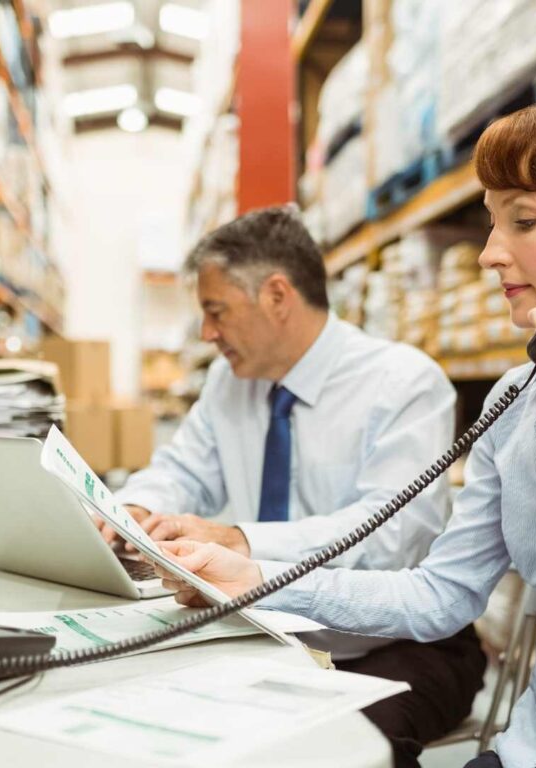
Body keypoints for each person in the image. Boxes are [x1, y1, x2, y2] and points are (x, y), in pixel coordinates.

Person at [154, 90, 536, 768]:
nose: (489, 255)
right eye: (491, 223)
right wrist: (254, 576)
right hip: (532, 751)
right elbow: (440, 594)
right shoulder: (517, 400)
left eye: (522, 220)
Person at [104, 206, 486, 768]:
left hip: (393, 644)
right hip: (269, 626)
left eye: (217, 312)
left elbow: (390, 538)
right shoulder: (228, 382)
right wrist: (138, 507)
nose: (207, 334)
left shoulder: (403, 383)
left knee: (333, 750)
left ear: (277, 296)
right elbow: (184, 468)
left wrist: (241, 542)